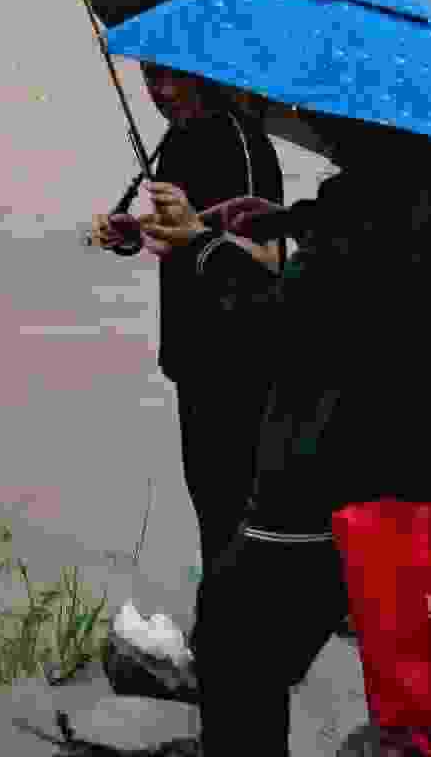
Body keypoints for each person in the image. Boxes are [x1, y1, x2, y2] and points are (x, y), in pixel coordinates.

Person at [134, 100, 431, 757]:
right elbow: (372, 242)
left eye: (327, 113)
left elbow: (280, 324)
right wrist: (280, 219)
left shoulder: (373, 198)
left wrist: (203, 249)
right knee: (418, 680)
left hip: (357, 478)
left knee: (233, 631)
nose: (313, 120)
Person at [90, 59, 287, 572]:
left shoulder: (242, 143)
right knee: (212, 516)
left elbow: (266, 261)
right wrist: (135, 233)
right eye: (151, 76)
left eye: (175, 75)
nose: (163, 90)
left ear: (205, 72)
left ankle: (233, 618)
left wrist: (195, 233)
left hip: (242, 366)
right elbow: (184, 233)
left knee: (237, 520)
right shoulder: (177, 142)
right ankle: (217, 616)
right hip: (191, 361)